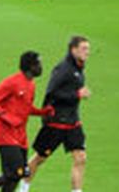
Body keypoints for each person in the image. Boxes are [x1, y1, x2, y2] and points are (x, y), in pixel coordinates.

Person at [25, 36, 91, 192]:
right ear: (73, 50)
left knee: (80, 157)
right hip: (56, 122)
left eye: (88, 49)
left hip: (73, 122)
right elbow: (52, 93)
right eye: (83, 49)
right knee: (39, 158)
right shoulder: (63, 69)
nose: (87, 52)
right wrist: (77, 94)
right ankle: (23, 187)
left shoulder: (78, 68)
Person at [0, 51, 47, 192]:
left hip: (21, 136)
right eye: (39, 63)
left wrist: (43, 112)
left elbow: (26, 108)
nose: (42, 67)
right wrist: (7, 116)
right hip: (6, 134)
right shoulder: (12, 82)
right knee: (16, 173)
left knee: (18, 174)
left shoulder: (31, 85)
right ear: (31, 66)